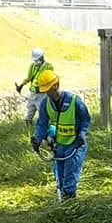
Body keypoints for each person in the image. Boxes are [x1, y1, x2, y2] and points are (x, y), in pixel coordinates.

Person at [31, 71, 92, 200]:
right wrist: (37, 139)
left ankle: (70, 202)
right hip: (59, 145)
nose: (47, 93)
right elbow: (42, 124)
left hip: (75, 144)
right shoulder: (45, 104)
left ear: (56, 85)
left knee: (70, 175)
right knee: (59, 176)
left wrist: (82, 133)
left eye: (49, 89)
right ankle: (62, 199)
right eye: (45, 91)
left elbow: (86, 118)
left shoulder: (74, 101)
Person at [16, 47, 53, 128]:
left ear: (42, 57)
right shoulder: (32, 66)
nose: (36, 61)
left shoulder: (49, 67)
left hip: (42, 94)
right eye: (35, 60)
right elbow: (29, 78)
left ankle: (45, 129)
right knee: (30, 110)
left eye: (38, 59)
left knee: (42, 111)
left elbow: (50, 81)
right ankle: (28, 126)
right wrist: (21, 85)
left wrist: (42, 87)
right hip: (33, 93)